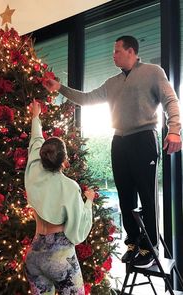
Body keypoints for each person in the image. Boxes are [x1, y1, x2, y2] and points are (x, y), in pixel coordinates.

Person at [43, 35, 182, 269]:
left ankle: (150, 247)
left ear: (131, 51)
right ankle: (133, 243)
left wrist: (175, 130)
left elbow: (171, 100)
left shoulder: (152, 72)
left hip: (144, 138)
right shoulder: (111, 82)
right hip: (119, 141)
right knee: (125, 195)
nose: (113, 55)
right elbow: (86, 99)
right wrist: (60, 88)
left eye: (117, 51)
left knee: (147, 196)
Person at [24, 99, 95, 294]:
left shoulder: (34, 172)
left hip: (34, 255)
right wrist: (89, 200)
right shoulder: (70, 187)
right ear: (64, 161)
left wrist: (36, 117)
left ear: (42, 156)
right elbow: (79, 227)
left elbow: (36, 141)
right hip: (59, 257)